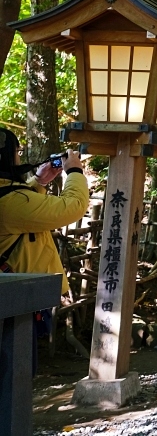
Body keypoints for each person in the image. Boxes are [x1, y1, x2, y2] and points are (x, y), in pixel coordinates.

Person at [0, 127, 90, 373]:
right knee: (13, 380)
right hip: (13, 304)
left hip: (12, 300)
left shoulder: (9, 198)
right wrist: (74, 171)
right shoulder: (11, 203)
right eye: (16, 152)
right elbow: (73, 206)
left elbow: (19, 208)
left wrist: (37, 182)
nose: (19, 157)